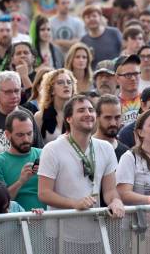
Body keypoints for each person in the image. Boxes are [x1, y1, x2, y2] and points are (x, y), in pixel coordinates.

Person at [38, 95, 125, 249]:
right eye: (81, 110)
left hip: (96, 233)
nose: (88, 113)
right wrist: (74, 203)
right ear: (69, 118)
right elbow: (44, 193)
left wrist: (115, 201)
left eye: (91, 110)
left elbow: (110, 191)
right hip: (61, 235)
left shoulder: (105, 148)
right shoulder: (52, 149)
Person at [0, 109, 44, 210]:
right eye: (20, 135)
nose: (26, 139)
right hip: (14, 223)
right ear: (7, 135)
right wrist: (20, 181)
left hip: (47, 219)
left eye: (29, 134)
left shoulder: (44, 155)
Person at [0, 71, 43, 151]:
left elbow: (39, 148)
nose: (14, 96)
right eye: (8, 92)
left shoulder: (27, 115)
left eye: (17, 91)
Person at [33, 69, 76, 144]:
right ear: (51, 90)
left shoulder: (78, 115)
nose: (66, 85)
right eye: (60, 83)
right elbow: (35, 146)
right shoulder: (39, 116)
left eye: (69, 82)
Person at [115, 54, 142, 126]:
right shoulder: (113, 105)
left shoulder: (148, 101)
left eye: (136, 74)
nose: (133, 78)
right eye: (128, 75)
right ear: (117, 78)